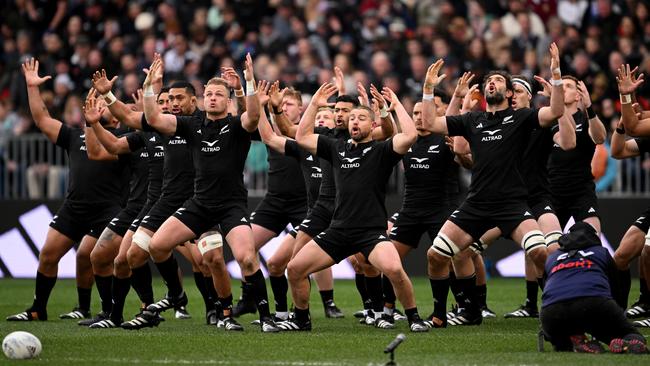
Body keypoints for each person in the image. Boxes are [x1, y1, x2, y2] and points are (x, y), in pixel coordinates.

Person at [422, 43, 565, 327]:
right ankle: (448, 313)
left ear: (509, 92)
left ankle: (556, 309)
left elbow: (555, 112)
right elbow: (429, 123)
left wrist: (557, 76)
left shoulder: (521, 117)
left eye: (498, 80)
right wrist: (427, 89)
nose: (491, 84)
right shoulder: (473, 119)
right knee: (435, 255)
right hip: (476, 203)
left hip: (512, 203)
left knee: (540, 252)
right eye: (488, 81)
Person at [141, 54, 280, 332]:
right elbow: (153, 117)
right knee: (156, 246)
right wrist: (151, 86)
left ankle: (266, 317)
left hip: (231, 206)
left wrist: (248, 83)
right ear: (203, 99)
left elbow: (253, 116)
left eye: (219, 94)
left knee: (247, 258)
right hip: (200, 203)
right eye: (209, 94)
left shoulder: (237, 125)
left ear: (228, 100)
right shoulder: (192, 126)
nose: (213, 98)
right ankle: (177, 295)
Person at [282, 82, 429, 332]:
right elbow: (301, 137)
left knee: (394, 269)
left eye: (361, 118)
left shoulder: (382, 150)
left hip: (370, 232)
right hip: (338, 230)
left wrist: (395, 108)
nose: (354, 122)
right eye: (352, 119)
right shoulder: (335, 147)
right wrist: (314, 105)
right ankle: (301, 319)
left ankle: (414, 318)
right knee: (294, 269)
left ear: (372, 125)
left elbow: (410, 135)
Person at [91, 64, 219, 329]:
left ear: (194, 100)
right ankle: (150, 307)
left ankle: (216, 309)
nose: (170, 104)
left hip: (197, 201)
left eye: (175, 98)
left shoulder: (200, 124)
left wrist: (241, 90)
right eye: (165, 100)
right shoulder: (155, 129)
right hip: (161, 202)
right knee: (128, 258)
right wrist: (107, 98)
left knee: (206, 260)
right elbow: (119, 133)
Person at [7, 59, 129, 322]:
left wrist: (93, 120)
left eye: (103, 103)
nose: (97, 105)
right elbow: (41, 119)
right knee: (48, 255)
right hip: (74, 206)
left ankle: (100, 310)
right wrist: (32, 87)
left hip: (107, 209)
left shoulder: (121, 142)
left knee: (88, 255)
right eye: (94, 102)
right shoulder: (75, 136)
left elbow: (101, 149)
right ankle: (39, 308)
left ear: (115, 117)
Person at [540, 222, 647, 354]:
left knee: (562, 344)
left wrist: (547, 329)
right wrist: (619, 314)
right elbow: (615, 289)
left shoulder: (552, 257)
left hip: (552, 312)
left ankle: (576, 342)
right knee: (630, 335)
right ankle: (626, 340)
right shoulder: (601, 252)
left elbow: (546, 291)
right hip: (593, 303)